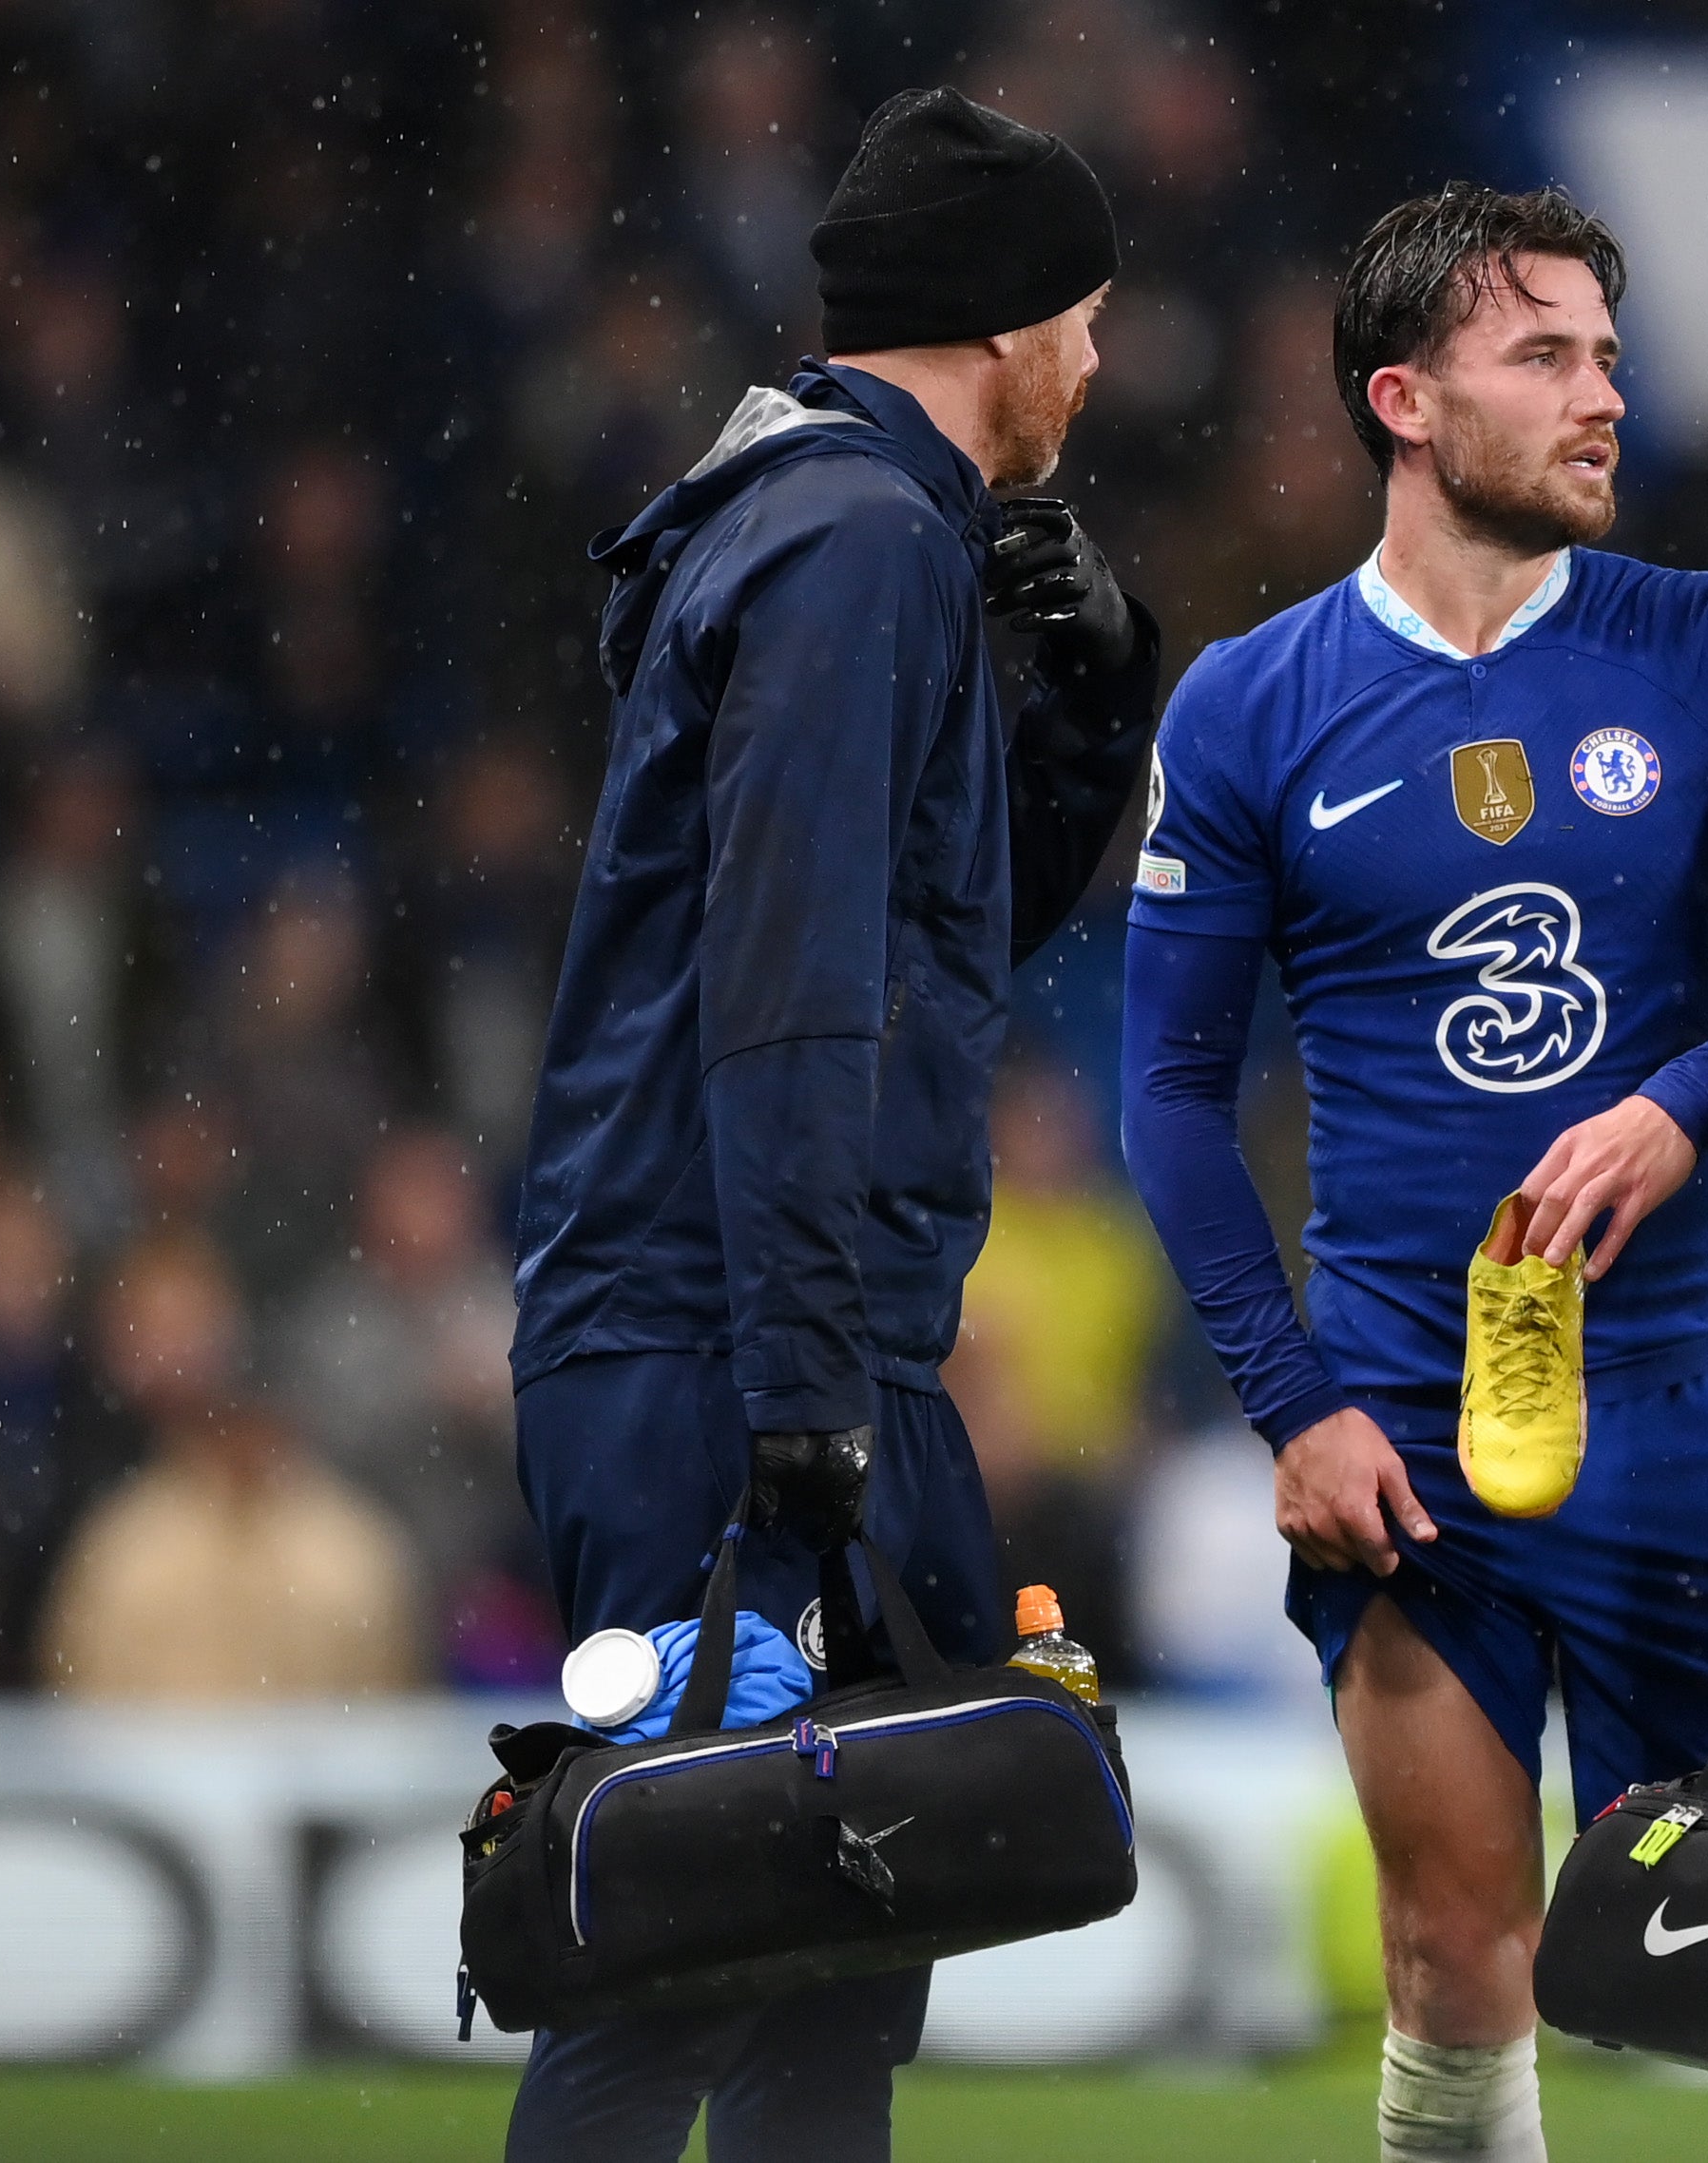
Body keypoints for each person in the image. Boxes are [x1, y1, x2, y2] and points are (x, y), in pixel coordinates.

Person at [1120, 184, 1708, 2163]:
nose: (1603, 400)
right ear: (1405, 399)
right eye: (1545, 356)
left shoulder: (1704, 642)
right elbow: (1168, 1095)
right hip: (1410, 1425)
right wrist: (1291, 1403)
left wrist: (1687, 1103)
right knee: (1451, 1957)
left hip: (1689, 1405)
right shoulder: (1253, 703)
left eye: (1609, 358)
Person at [501, 89, 1161, 2163]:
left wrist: (1087, 702)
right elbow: (792, 993)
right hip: (739, 1339)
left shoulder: (840, 528)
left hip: (775, 1326)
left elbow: (937, 939)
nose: (1095, 364)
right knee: (676, 1976)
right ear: (997, 325)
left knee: (830, 1975)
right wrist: (803, 1392)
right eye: (1083, 317)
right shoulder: (859, 544)